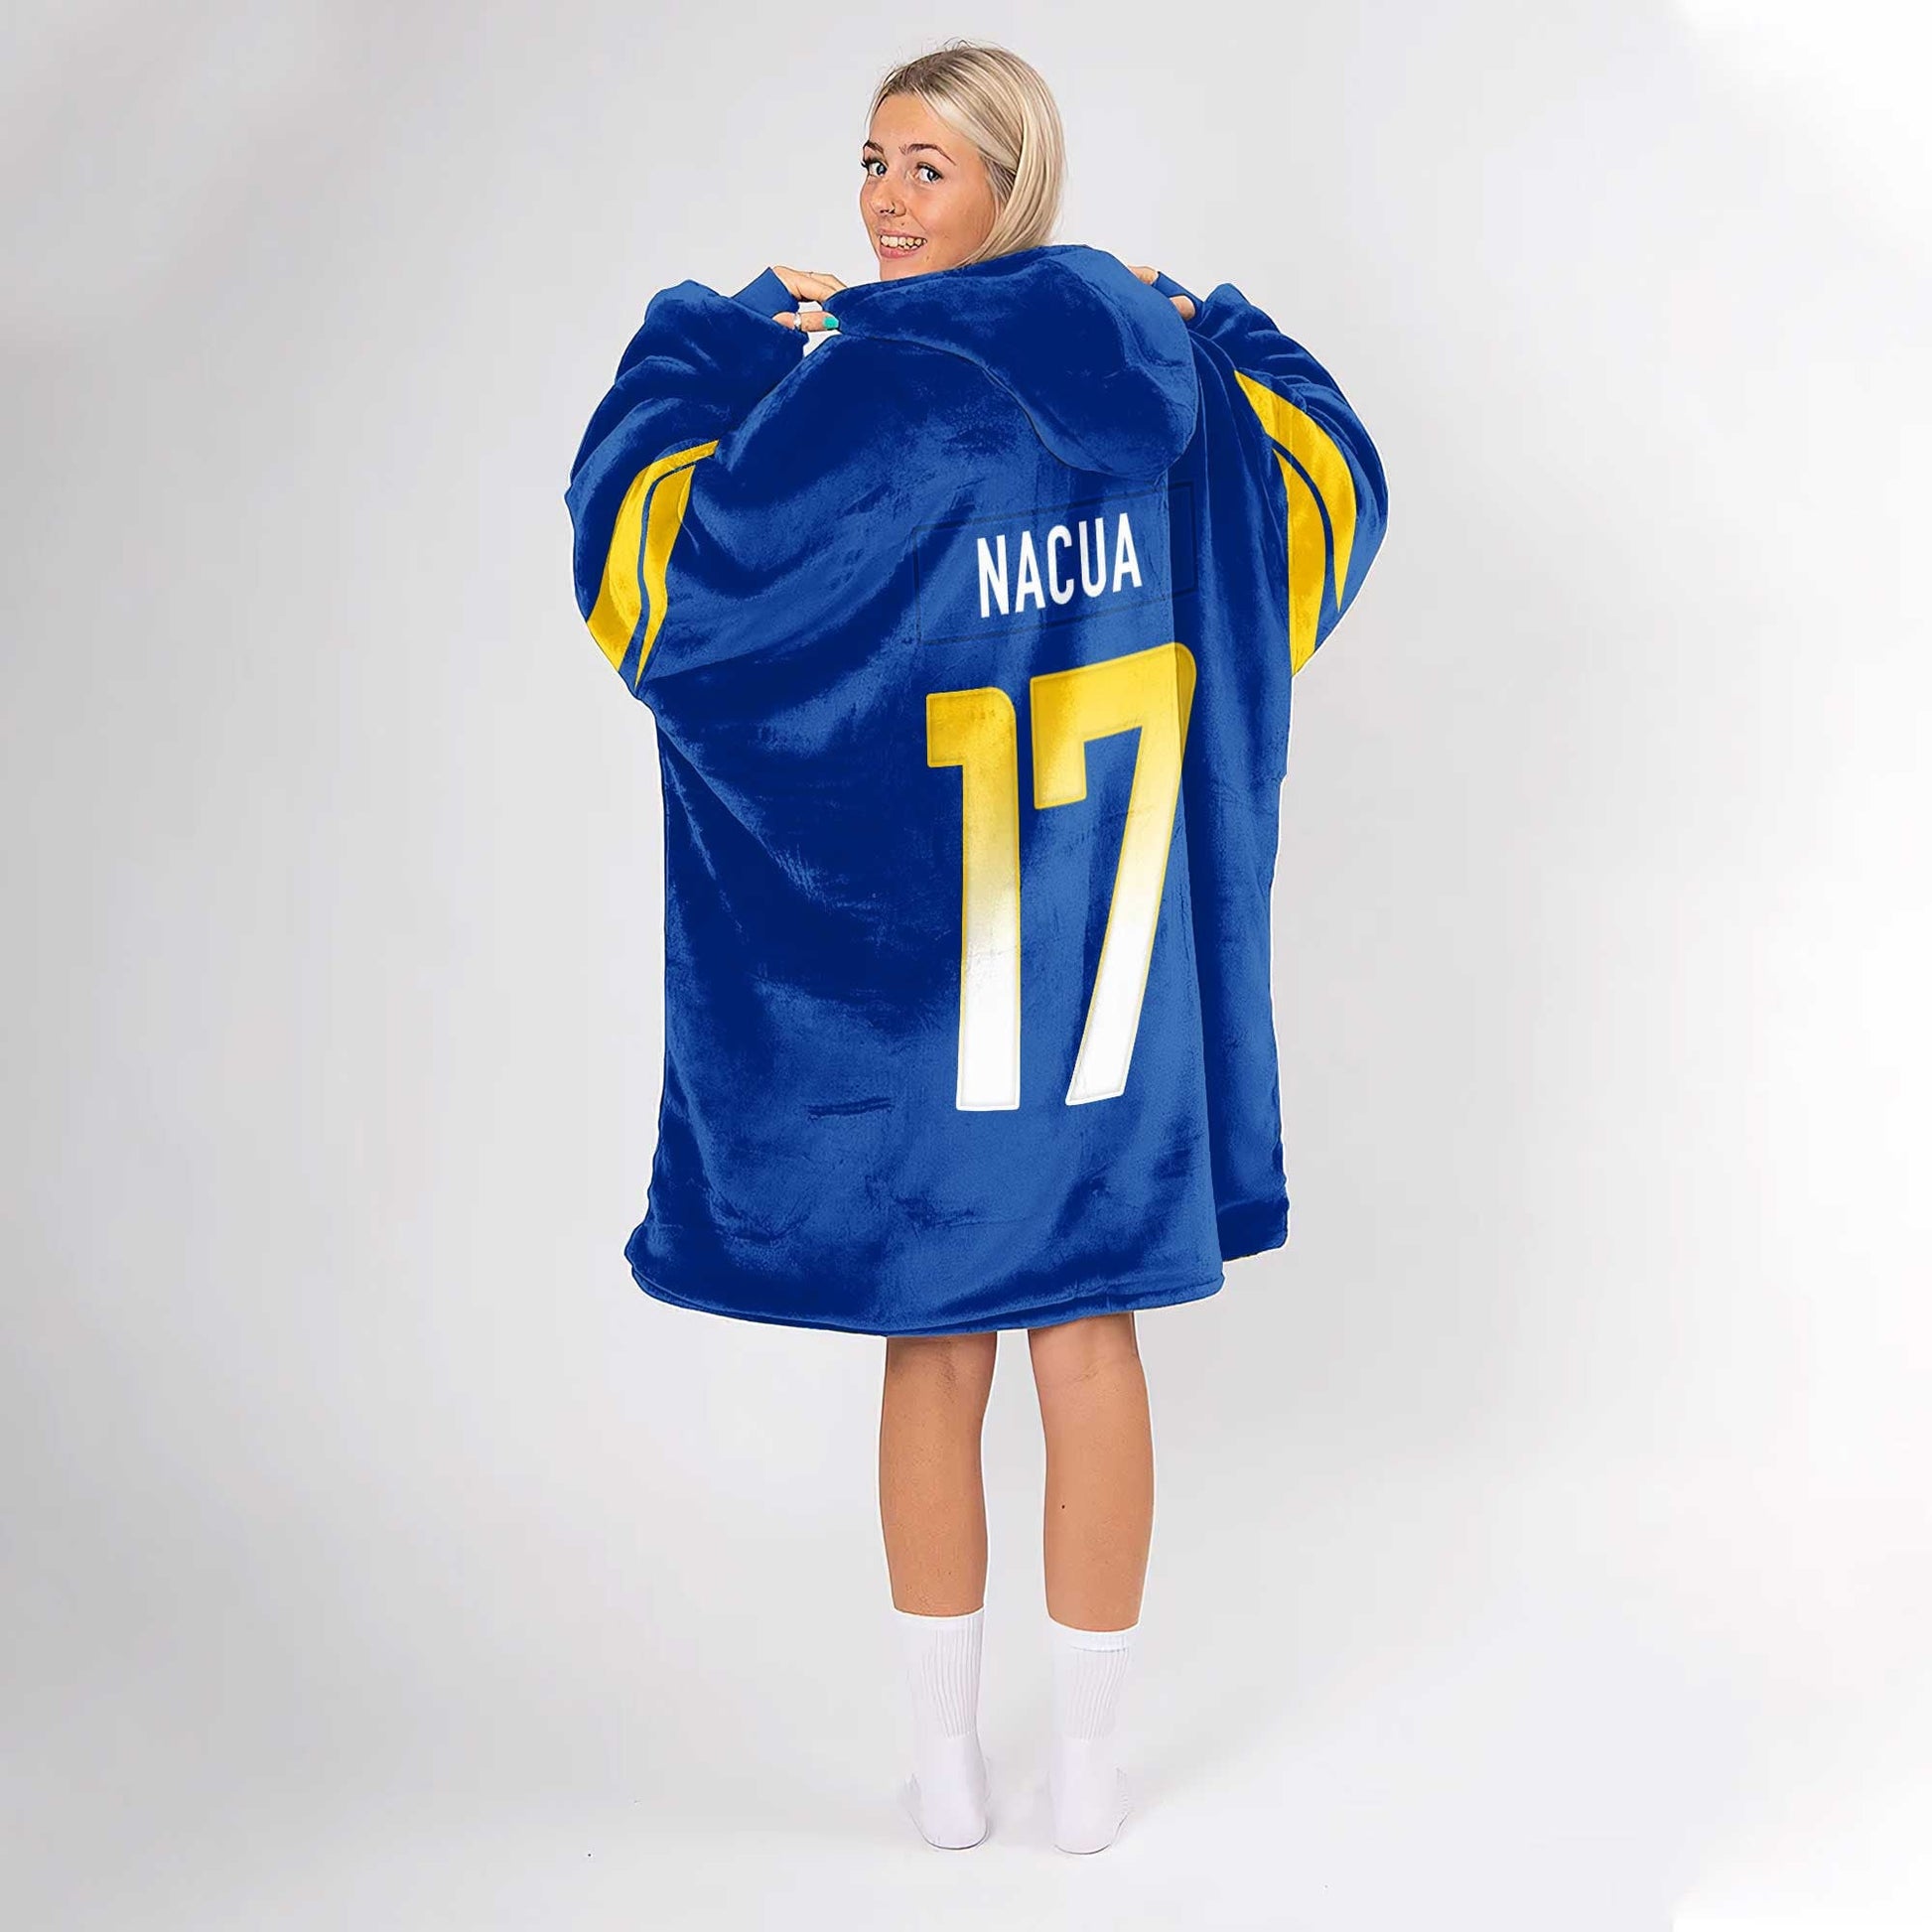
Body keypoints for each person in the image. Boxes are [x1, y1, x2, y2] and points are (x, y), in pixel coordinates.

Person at [561, 41, 1387, 1855]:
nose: (880, 202)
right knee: (1089, 1339)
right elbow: (1325, 502)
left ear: (1015, 183)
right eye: (871, 161)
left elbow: (653, 582)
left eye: (925, 167)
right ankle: (1080, 1773)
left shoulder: (860, 403)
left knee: (934, 1351)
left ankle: (952, 1773)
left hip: (937, 1006)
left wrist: (709, 339)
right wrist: (1222, 322)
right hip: (1110, 1008)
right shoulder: (1173, 389)